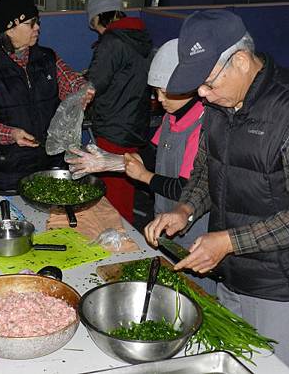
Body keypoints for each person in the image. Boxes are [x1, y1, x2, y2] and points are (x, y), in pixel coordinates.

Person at [144, 10, 289, 374]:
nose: (201, 94)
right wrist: (185, 209)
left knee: (272, 368)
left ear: (241, 60)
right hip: (229, 272)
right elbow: (205, 172)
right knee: (234, 365)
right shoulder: (219, 104)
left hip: (282, 282)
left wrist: (229, 242)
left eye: (208, 83)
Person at [68, 39, 215, 294]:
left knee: (197, 297)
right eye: (155, 92)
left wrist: (145, 177)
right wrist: (109, 161)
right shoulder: (172, 117)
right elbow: (150, 155)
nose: (159, 100)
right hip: (165, 226)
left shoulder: (202, 124)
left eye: (165, 92)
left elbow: (185, 188)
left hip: (195, 236)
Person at [0, 0, 91, 194]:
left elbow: (72, 82)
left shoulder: (48, 58)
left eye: (38, 22)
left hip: (52, 167)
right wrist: (12, 134)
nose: (37, 28)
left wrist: (84, 92)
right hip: (10, 173)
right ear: (10, 29)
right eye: (31, 23)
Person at [84, 0, 153, 223]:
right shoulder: (139, 37)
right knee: (127, 184)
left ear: (98, 16)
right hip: (134, 123)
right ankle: (124, 232)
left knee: (113, 196)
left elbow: (94, 84)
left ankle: (118, 239)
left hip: (114, 125)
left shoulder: (112, 42)